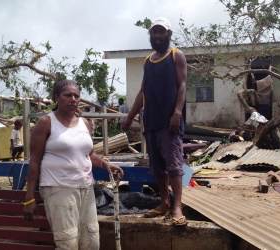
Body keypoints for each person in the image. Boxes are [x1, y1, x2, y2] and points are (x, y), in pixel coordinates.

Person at [23, 79, 124, 250]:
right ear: (56, 97)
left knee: (91, 242)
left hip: (86, 188)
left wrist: (105, 164)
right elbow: (34, 160)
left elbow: (88, 153)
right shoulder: (46, 123)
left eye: (76, 96)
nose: (73, 99)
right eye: (67, 95)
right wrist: (29, 197)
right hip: (59, 188)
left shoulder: (84, 123)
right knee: (67, 243)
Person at [122, 17, 187, 226]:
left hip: (170, 122)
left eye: (161, 32)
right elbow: (143, 91)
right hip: (151, 122)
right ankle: (164, 202)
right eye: (154, 33)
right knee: (157, 168)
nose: (157, 36)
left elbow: (183, 85)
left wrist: (177, 112)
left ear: (168, 34)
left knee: (174, 166)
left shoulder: (176, 55)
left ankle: (177, 206)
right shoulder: (147, 61)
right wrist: (130, 116)